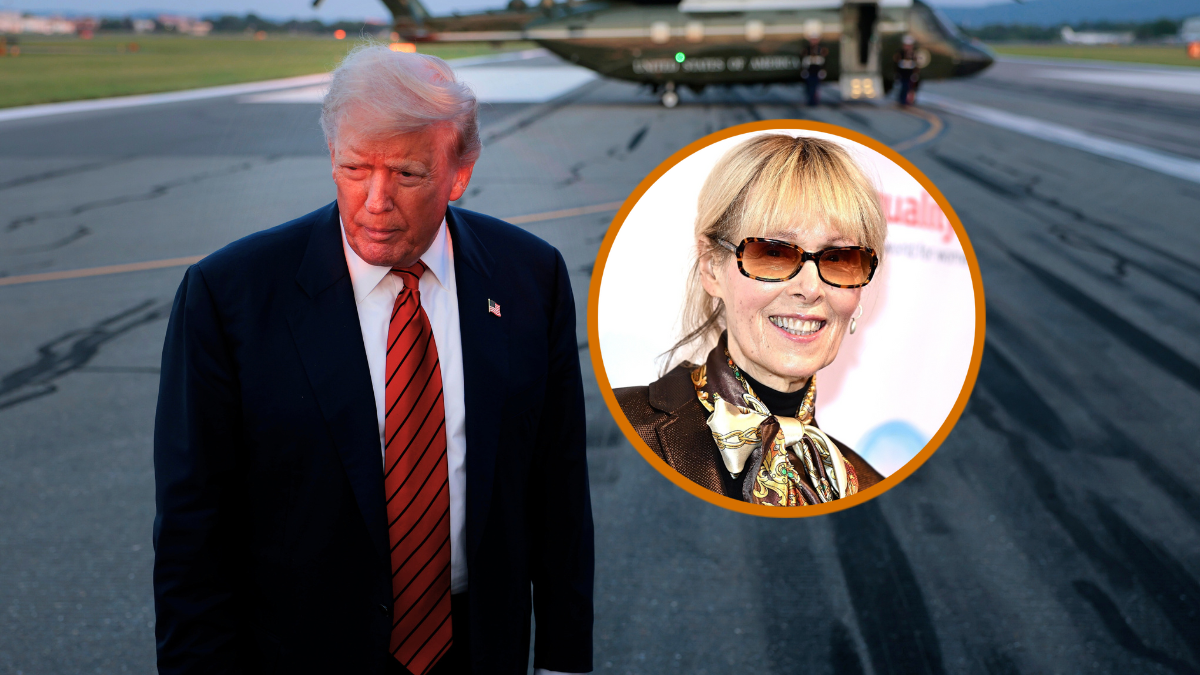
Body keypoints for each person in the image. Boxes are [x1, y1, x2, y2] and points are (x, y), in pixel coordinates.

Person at [153, 45, 593, 675]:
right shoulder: (230, 296)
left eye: (408, 174)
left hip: (476, 648)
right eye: (355, 168)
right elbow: (192, 528)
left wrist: (563, 660)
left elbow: (558, 493)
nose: (375, 201)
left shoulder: (530, 277)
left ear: (458, 171)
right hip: (299, 655)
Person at [616, 134, 885, 506]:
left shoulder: (869, 485)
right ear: (711, 267)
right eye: (773, 252)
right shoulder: (622, 431)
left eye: (839, 258)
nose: (810, 289)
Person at [799, 35, 828, 107]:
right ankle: (810, 100)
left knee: (815, 87)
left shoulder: (821, 49)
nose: (814, 41)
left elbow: (824, 60)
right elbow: (803, 60)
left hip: (817, 71)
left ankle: (813, 102)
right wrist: (803, 70)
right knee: (809, 87)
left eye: (815, 40)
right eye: (812, 40)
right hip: (809, 71)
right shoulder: (807, 49)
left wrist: (823, 71)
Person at [894, 35, 920, 106]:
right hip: (902, 74)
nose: (908, 47)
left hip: (910, 74)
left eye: (909, 46)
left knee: (911, 88)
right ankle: (902, 100)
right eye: (906, 45)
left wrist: (916, 73)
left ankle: (908, 100)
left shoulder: (913, 54)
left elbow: (916, 64)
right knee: (903, 87)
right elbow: (896, 63)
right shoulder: (900, 53)